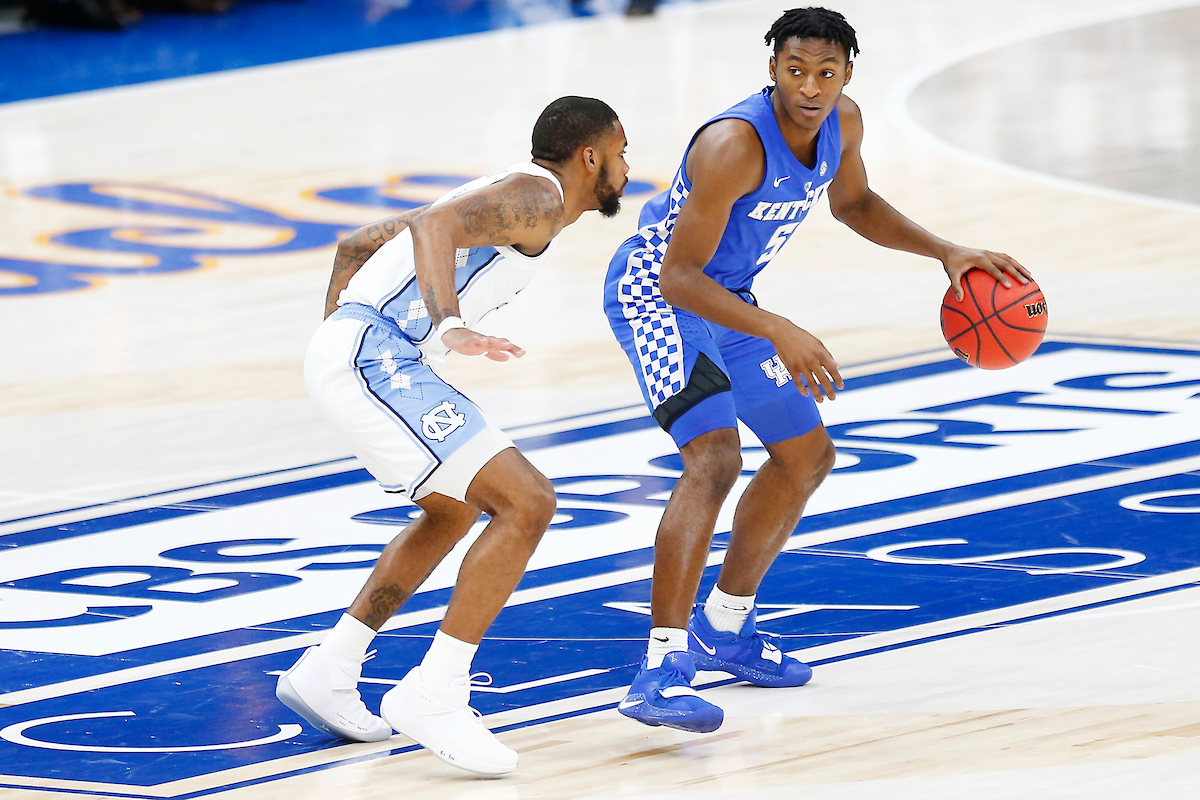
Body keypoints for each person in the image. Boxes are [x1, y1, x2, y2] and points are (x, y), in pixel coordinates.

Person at [603, 7, 1030, 733]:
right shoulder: (733, 145)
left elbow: (853, 203)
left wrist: (945, 251)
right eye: (795, 70)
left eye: (825, 73)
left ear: (846, 75)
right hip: (660, 296)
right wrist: (778, 328)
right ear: (771, 68)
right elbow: (679, 276)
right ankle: (661, 670)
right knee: (714, 459)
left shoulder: (844, 122)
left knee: (806, 457)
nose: (810, 86)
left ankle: (724, 628)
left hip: (727, 299)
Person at [277, 96, 629, 774]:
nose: (625, 167)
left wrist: (337, 341)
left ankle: (331, 668)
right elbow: (433, 225)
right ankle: (435, 694)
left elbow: (357, 245)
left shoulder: (509, 194)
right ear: (591, 156)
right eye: (620, 153)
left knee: (455, 510)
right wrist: (447, 324)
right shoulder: (540, 198)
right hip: (376, 355)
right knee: (527, 502)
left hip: (362, 353)